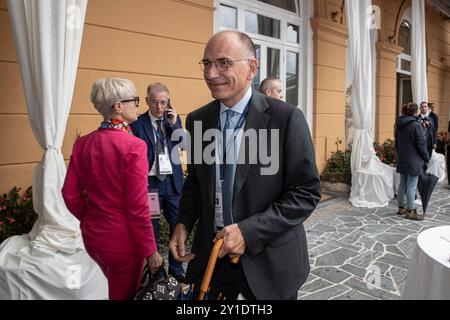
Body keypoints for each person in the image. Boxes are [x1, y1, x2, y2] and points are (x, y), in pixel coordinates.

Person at [169, 30, 321, 300]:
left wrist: (249, 232)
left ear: (251, 68)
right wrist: (183, 223)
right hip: (213, 260)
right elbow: (195, 182)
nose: (211, 74)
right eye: (207, 63)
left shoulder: (286, 118)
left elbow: (305, 192)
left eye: (223, 63)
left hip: (269, 263)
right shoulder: (197, 120)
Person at [62, 78, 163, 300]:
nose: (138, 105)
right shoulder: (134, 146)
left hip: (93, 237)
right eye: (135, 100)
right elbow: (138, 208)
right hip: (123, 242)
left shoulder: (82, 143)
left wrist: (90, 218)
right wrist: (151, 251)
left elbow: (69, 194)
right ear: (118, 106)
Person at [130, 82, 185, 282]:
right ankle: (157, 272)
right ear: (147, 101)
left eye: (163, 102)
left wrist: (175, 124)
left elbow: (183, 144)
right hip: (151, 184)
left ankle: (177, 270)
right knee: (151, 228)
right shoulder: (137, 124)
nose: (159, 107)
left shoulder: (172, 122)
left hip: (172, 183)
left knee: (178, 225)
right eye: (155, 102)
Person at [395, 102, 430, 221]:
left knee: (402, 183)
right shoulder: (416, 125)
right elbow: (422, 144)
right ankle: (410, 211)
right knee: (411, 186)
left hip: (403, 158)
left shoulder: (398, 124)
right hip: (414, 160)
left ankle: (401, 207)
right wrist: (426, 158)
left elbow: (397, 144)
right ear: (416, 112)